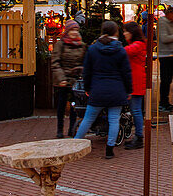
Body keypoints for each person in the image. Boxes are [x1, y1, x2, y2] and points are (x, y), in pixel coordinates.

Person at [75, 21, 132, 160]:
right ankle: (109, 149)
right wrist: (128, 90)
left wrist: (87, 88)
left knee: (88, 119)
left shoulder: (93, 49)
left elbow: (87, 72)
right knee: (114, 120)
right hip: (116, 89)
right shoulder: (120, 50)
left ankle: (74, 144)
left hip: (97, 89)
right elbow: (126, 72)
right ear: (116, 33)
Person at [51, 20, 85, 138]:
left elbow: (84, 61)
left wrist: (81, 70)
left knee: (74, 105)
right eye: (72, 30)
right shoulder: (61, 44)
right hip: (63, 80)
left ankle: (72, 128)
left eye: (76, 30)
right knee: (61, 105)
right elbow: (55, 62)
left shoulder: (81, 44)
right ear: (67, 31)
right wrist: (61, 78)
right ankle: (59, 129)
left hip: (76, 79)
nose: (74, 32)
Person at [122, 21, 147, 149]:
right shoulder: (137, 44)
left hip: (135, 81)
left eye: (126, 31)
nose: (124, 33)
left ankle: (139, 137)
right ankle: (137, 136)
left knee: (136, 110)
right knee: (135, 110)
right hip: (135, 80)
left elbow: (124, 52)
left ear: (132, 33)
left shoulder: (137, 45)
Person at [157, 6, 173, 112]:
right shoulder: (162, 22)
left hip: (172, 55)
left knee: (168, 80)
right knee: (165, 80)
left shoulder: (171, 23)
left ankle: (166, 102)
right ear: (169, 14)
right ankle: (162, 103)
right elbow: (164, 38)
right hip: (165, 55)